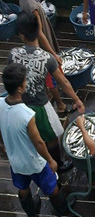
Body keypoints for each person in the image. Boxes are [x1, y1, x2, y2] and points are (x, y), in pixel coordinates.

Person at [8, 11, 85, 172]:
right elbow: (63, 82)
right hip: (41, 107)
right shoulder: (46, 58)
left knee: (29, 136)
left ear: (21, 35)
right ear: (39, 30)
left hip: (19, 106)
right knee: (51, 137)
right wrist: (76, 100)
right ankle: (57, 163)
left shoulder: (13, 54)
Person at [0, 63, 74, 217]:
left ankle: (32, 216)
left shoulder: (0, 104)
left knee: (23, 188)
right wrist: (51, 160)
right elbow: (39, 142)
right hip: (34, 162)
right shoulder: (27, 114)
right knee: (52, 187)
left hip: (15, 161)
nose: (26, 82)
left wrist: (3, 146)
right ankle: (62, 209)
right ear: (20, 88)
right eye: (25, 81)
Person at [19, 0, 70, 116]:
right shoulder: (32, 5)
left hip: (32, 43)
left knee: (46, 74)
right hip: (41, 45)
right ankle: (60, 105)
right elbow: (40, 32)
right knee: (51, 75)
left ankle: (49, 94)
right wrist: (53, 54)